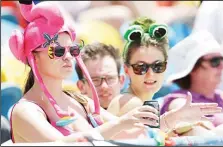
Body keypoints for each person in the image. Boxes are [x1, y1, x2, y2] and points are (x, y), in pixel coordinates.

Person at [9, 0, 169, 143]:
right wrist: (119, 123)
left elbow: (132, 132)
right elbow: (63, 144)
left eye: (72, 50)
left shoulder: (80, 101)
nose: (67, 57)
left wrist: (173, 119)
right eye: (57, 51)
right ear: (34, 58)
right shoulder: (25, 111)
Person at [107, 17, 222, 134]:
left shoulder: (140, 102)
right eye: (141, 67)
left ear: (166, 68)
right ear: (126, 70)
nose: (150, 74)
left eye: (158, 66)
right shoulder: (131, 103)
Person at [161, 30, 223, 128]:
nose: (222, 66)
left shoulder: (220, 96)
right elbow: (182, 115)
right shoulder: (178, 100)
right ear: (193, 68)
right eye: (215, 61)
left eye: (222, 60)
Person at [76, 42, 124, 109]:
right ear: (81, 87)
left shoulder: (138, 112)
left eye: (110, 78)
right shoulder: (73, 116)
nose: (104, 86)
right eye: (95, 80)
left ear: (121, 81)